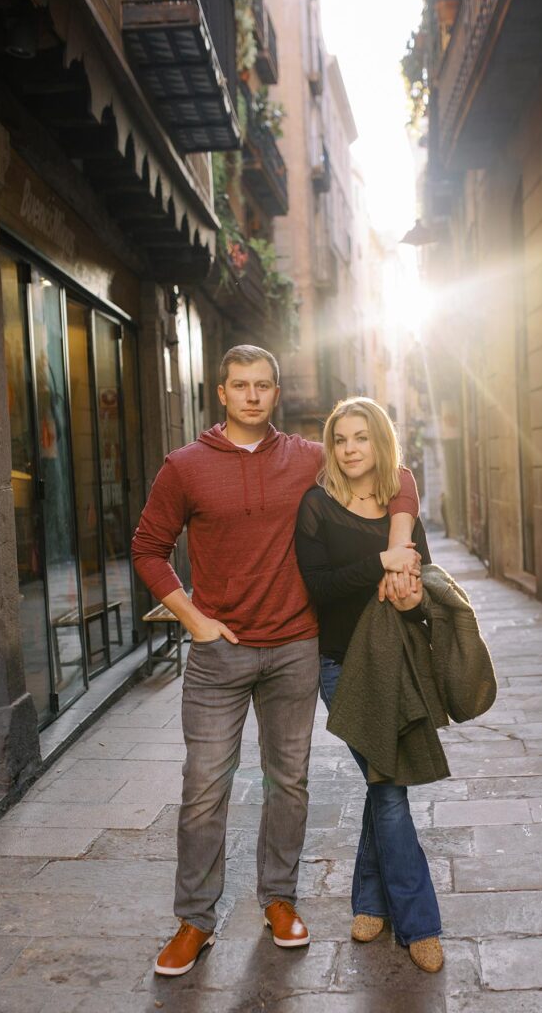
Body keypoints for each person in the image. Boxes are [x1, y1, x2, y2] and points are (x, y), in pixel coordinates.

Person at [131, 345, 421, 977]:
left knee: (287, 783)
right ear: (222, 393)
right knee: (204, 790)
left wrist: (400, 546)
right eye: (241, 386)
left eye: (264, 386)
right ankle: (194, 921)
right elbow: (149, 549)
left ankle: (280, 900)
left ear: (276, 393)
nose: (253, 396)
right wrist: (195, 621)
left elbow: (396, 476)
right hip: (218, 654)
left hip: (295, 648)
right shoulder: (184, 467)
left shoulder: (308, 459)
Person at [294, 397, 444, 974]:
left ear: (380, 443)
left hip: (398, 661)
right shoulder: (317, 506)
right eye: (341, 439)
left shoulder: (399, 507)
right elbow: (318, 587)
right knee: (387, 782)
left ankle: (369, 902)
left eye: (362, 438)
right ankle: (420, 924)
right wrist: (379, 562)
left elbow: (422, 578)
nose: (351, 449)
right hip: (340, 664)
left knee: (384, 781)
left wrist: (410, 591)